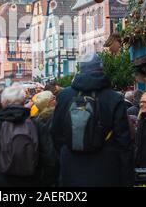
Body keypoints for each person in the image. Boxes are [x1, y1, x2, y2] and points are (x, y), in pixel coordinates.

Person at [51, 53, 134, 187]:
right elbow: (124, 142)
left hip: (71, 169)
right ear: (101, 69)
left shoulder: (64, 96)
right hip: (107, 170)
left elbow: (55, 132)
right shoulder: (114, 98)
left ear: (80, 69)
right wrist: (127, 179)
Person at [0, 85, 56, 187]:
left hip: (0, 182)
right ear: (23, 102)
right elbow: (50, 159)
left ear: (3, 103)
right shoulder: (36, 125)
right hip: (32, 181)